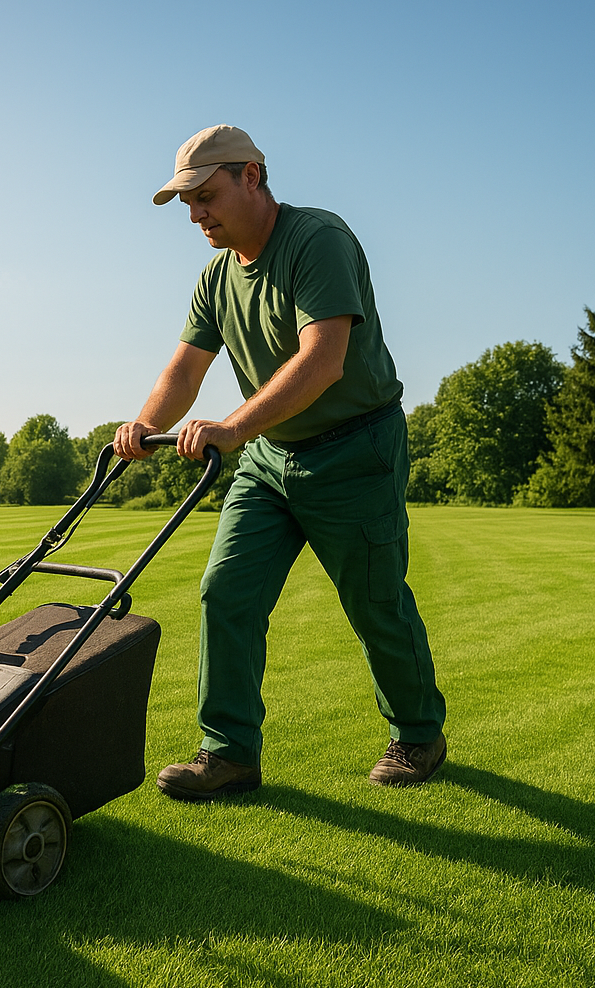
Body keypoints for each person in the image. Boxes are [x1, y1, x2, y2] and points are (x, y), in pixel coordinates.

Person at [114, 124, 448, 799]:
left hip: (356, 449)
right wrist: (144, 428)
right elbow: (183, 371)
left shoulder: (316, 240)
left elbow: (324, 360)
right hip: (270, 460)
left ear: (252, 178)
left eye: (206, 196)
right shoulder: (215, 276)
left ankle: (419, 735)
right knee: (225, 591)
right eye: (187, 204)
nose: (196, 215)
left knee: (375, 603)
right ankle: (229, 753)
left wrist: (232, 426)